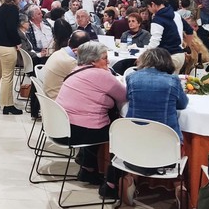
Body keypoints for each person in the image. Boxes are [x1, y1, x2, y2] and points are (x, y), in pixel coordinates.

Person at [56, 42, 127, 186]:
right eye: (104, 58)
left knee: (96, 117)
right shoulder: (101, 75)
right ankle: (112, 183)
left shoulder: (77, 69)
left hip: (61, 126)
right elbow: (123, 96)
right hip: (80, 132)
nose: (108, 61)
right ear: (93, 61)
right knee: (121, 132)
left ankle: (88, 168)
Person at [125, 47, 188, 142]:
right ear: (168, 62)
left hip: (134, 136)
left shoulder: (131, 77)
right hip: (166, 138)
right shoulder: (173, 80)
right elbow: (182, 104)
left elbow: (128, 97)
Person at [41, 29, 90, 100]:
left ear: (69, 41)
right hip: (57, 100)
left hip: (49, 96)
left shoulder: (59, 52)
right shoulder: (71, 62)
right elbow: (87, 81)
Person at [145, 0, 187, 73]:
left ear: (153, 4)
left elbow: (155, 41)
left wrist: (144, 55)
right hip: (180, 55)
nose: (149, 10)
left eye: (148, 7)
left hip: (169, 57)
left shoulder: (158, 19)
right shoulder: (170, 14)